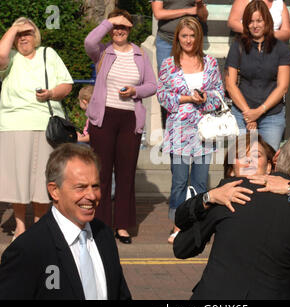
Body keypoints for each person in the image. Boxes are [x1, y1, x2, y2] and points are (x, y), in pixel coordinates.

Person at [173, 132, 290, 299]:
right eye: (241, 155)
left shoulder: (229, 196)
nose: (249, 161)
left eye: (256, 155)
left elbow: (181, 247)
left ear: (274, 160)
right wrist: (209, 197)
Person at [0, 143, 131, 300]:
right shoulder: (28, 249)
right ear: (54, 191)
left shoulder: (105, 235)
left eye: (95, 186)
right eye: (81, 187)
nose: (91, 195)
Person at [84, 8, 157, 244]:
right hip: (104, 119)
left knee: (125, 175)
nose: (119, 31)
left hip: (129, 119)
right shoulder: (102, 51)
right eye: (116, 26)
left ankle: (122, 226)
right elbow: (89, 40)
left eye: (124, 26)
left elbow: (152, 85)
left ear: (130, 29)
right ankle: (101, 224)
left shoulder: (140, 55)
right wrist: (109, 22)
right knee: (102, 174)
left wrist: (136, 90)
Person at [0, 17, 73, 240]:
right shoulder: (10, 57)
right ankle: (20, 225)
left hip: (44, 123)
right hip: (13, 123)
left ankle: (39, 224)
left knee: (43, 179)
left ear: (36, 35)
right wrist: (14, 28)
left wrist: (50, 94)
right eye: (19, 34)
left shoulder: (48, 53)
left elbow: (67, 85)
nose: (24, 38)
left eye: (28, 33)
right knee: (17, 179)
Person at [156, 16, 224, 244]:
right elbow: (162, 95)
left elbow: (219, 94)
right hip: (179, 131)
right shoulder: (168, 63)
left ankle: (198, 224)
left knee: (201, 182)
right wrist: (186, 98)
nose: (188, 39)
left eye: (192, 35)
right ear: (178, 37)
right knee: (179, 182)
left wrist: (205, 98)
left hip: (204, 130)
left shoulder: (211, 63)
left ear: (198, 37)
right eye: (184, 35)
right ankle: (177, 225)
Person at [225, 0, 290, 151]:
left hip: (271, 115)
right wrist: (248, 113)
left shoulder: (280, 48)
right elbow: (230, 84)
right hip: (242, 113)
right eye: (250, 21)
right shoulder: (238, 46)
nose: (255, 25)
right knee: (241, 162)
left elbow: (283, 87)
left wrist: (259, 111)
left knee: (267, 162)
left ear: (267, 21)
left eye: (259, 21)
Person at [151, 0, 208, 130]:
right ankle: (169, 131)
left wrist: (199, 5)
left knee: (193, 84)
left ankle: (193, 127)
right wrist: (187, 11)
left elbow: (203, 17)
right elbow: (158, 13)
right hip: (167, 42)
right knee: (167, 88)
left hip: (192, 41)